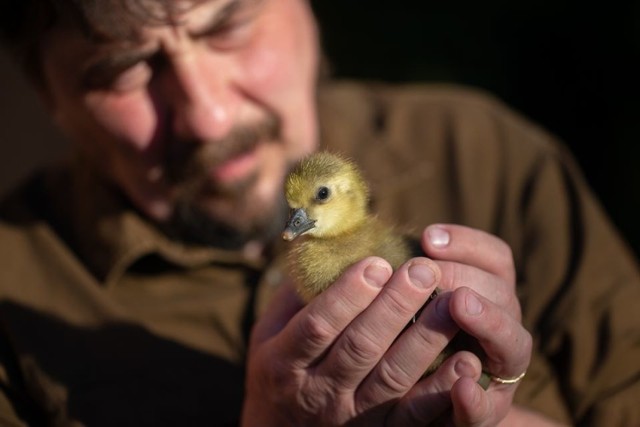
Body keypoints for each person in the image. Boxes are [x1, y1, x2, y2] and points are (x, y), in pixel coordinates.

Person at [0, 0, 637, 425]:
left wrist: (499, 409)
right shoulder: (14, 295)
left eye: (227, 26)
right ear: (47, 96)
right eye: (124, 69)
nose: (209, 116)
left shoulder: (488, 155)